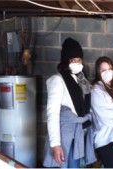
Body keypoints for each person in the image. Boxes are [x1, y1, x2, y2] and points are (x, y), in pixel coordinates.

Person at [43, 37, 96, 168]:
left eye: (79, 60)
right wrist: (55, 144)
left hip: (81, 132)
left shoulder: (83, 80)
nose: (77, 63)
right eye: (73, 60)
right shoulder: (57, 80)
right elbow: (53, 113)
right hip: (67, 135)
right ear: (66, 61)